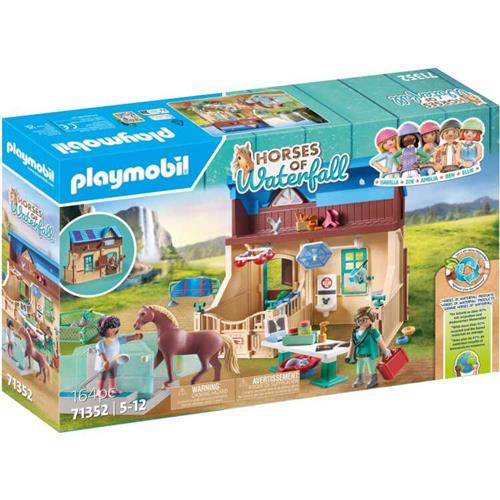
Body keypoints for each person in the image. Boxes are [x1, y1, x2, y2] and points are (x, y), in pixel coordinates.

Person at [95, 315, 143, 397]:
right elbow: (101, 353)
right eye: (111, 327)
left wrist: (135, 337)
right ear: (103, 329)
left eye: (116, 327)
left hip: (114, 362)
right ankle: (100, 390)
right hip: (104, 364)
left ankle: (112, 388)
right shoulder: (101, 343)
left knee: (113, 375)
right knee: (103, 377)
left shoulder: (116, 340)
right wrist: (105, 361)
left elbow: (126, 339)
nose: (114, 329)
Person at [345, 306, 392, 389]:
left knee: (371, 367)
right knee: (359, 367)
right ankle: (360, 379)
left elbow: (380, 341)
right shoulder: (355, 332)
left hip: (370, 354)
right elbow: (352, 343)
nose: (361, 322)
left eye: (364, 320)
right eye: (358, 320)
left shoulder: (373, 331)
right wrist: (349, 355)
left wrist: (385, 349)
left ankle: (373, 380)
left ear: (371, 319)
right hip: (359, 354)